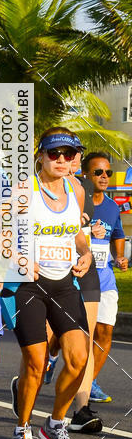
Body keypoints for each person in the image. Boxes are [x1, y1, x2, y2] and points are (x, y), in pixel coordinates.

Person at [8, 128, 92, 439]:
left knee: (78, 358)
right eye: (54, 153)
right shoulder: (21, 191)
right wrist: (17, 260)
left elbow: (78, 235)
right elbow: (0, 236)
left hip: (63, 284)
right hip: (29, 285)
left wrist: (84, 253)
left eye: (68, 154)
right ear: (40, 155)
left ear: (76, 158)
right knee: (35, 362)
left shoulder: (76, 190)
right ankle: (21, 430)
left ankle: (56, 424)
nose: (61, 160)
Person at [42, 140, 103, 433]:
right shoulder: (33, 188)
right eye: (60, 153)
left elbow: (80, 233)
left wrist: (88, 247)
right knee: (43, 342)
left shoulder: (80, 189)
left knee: (85, 340)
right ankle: (41, 367)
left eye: (74, 153)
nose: (68, 158)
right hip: (46, 273)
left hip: (81, 268)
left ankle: (81, 409)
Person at [82, 152, 128, 403]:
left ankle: (90, 383)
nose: (104, 177)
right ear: (85, 174)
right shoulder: (75, 200)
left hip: (104, 279)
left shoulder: (112, 206)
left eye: (108, 173)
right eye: (98, 172)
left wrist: (119, 256)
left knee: (104, 333)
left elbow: (117, 233)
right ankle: (51, 359)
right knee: (69, 334)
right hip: (76, 277)